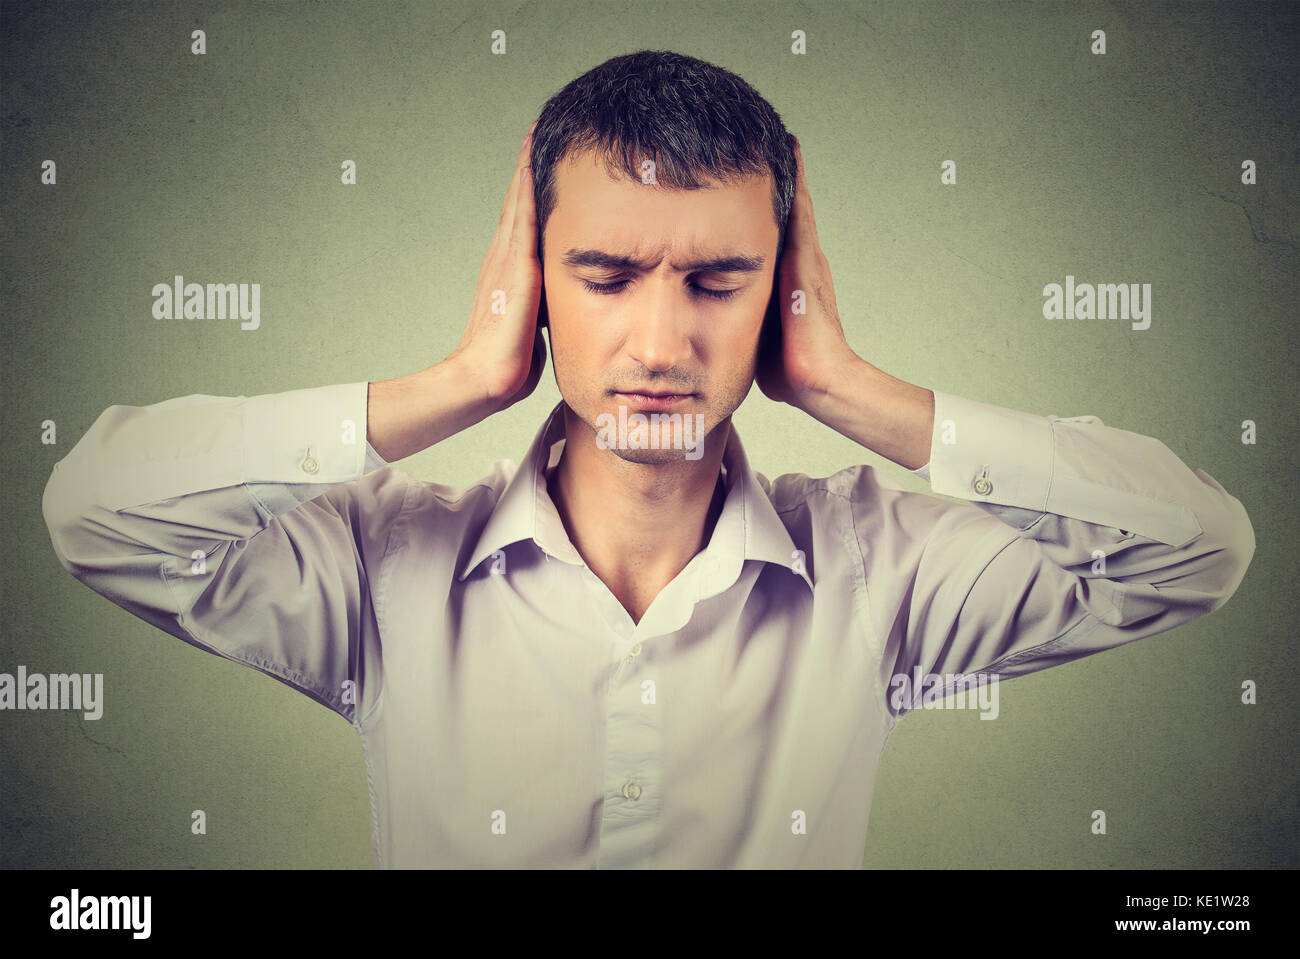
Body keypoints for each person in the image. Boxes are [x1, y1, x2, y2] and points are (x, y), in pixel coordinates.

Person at [41, 50, 1255, 868]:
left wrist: (847, 386)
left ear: (780, 290)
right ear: (536, 287)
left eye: (718, 281)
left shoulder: (879, 570)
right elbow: (99, 512)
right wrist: (462, 378)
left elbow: (1192, 550)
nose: (661, 343)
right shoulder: (378, 564)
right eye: (606, 276)